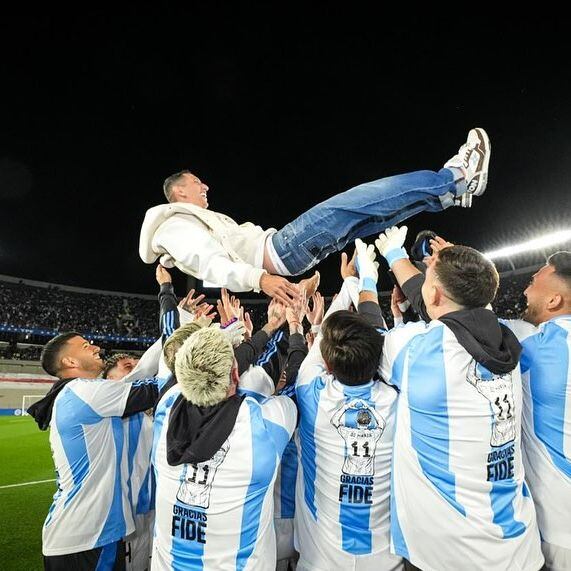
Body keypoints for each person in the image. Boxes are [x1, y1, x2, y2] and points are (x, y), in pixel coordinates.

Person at [139, 129, 490, 304]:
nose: (205, 187)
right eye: (197, 183)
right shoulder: (172, 225)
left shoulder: (196, 221)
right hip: (283, 249)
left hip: (286, 256)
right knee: (362, 200)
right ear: (179, 192)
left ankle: (449, 194)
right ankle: (455, 176)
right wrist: (258, 279)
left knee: (374, 216)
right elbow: (209, 265)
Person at [374, 229, 544, 570]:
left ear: (435, 295)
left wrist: (376, 268)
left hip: (446, 556)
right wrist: (456, 265)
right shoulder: (519, 336)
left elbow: (367, 332)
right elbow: (460, 306)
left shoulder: (417, 349)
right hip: (520, 551)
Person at [293, 242, 402, 571]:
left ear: (327, 364)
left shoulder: (309, 394)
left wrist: (351, 282)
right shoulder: (400, 400)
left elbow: (326, 330)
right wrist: (362, 282)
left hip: (319, 561)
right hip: (386, 560)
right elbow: (387, 348)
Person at [151, 326, 297, 570]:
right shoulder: (264, 425)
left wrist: (266, 330)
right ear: (236, 374)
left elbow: (212, 372)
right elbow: (297, 388)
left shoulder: (166, 407)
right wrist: (281, 327)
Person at [27, 333, 160, 571]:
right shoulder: (83, 391)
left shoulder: (78, 393)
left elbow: (139, 375)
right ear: (70, 362)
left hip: (84, 535)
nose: (96, 347)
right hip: (89, 536)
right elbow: (156, 387)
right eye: (86, 346)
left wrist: (182, 320)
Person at [504, 252, 571, 570]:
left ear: (555, 300)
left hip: (559, 534)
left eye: (532, 282)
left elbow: (465, 322)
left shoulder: (539, 346)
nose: (525, 290)